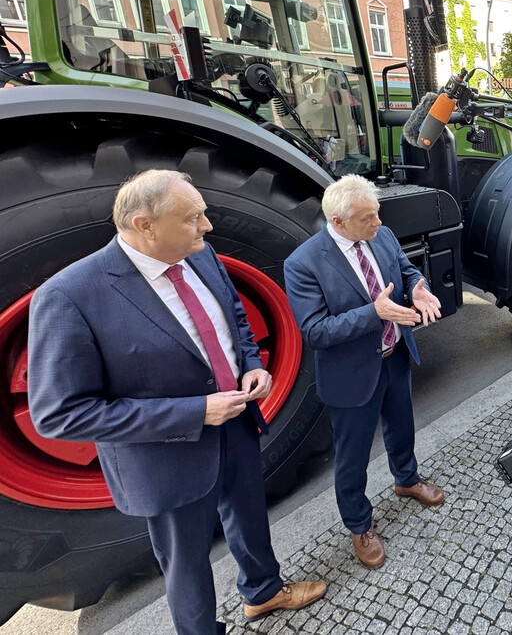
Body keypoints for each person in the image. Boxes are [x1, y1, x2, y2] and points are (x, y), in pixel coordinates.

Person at [27, 170, 326, 635]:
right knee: (185, 562)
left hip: (237, 425)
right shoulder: (68, 296)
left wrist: (252, 364)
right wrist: (195, 412)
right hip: (165, 457)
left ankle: (263, 592)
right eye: (193, 218)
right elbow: (59, 413)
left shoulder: (200, 256)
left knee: (250, 518)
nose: (207, 226)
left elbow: (235, 325)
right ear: (144, 225)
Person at [284, 175, 445, 570]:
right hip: (352, 374)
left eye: (377, 214)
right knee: (352, 457)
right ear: (338, 223)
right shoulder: (303, 263)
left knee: (402, 426)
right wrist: (373, 313)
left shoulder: (382, 233)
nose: (377, 223)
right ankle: (359, 524)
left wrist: (420, 286)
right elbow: (315, 331)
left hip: (395, 356)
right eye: (366, 219)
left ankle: (406, 479)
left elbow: (404, 271)